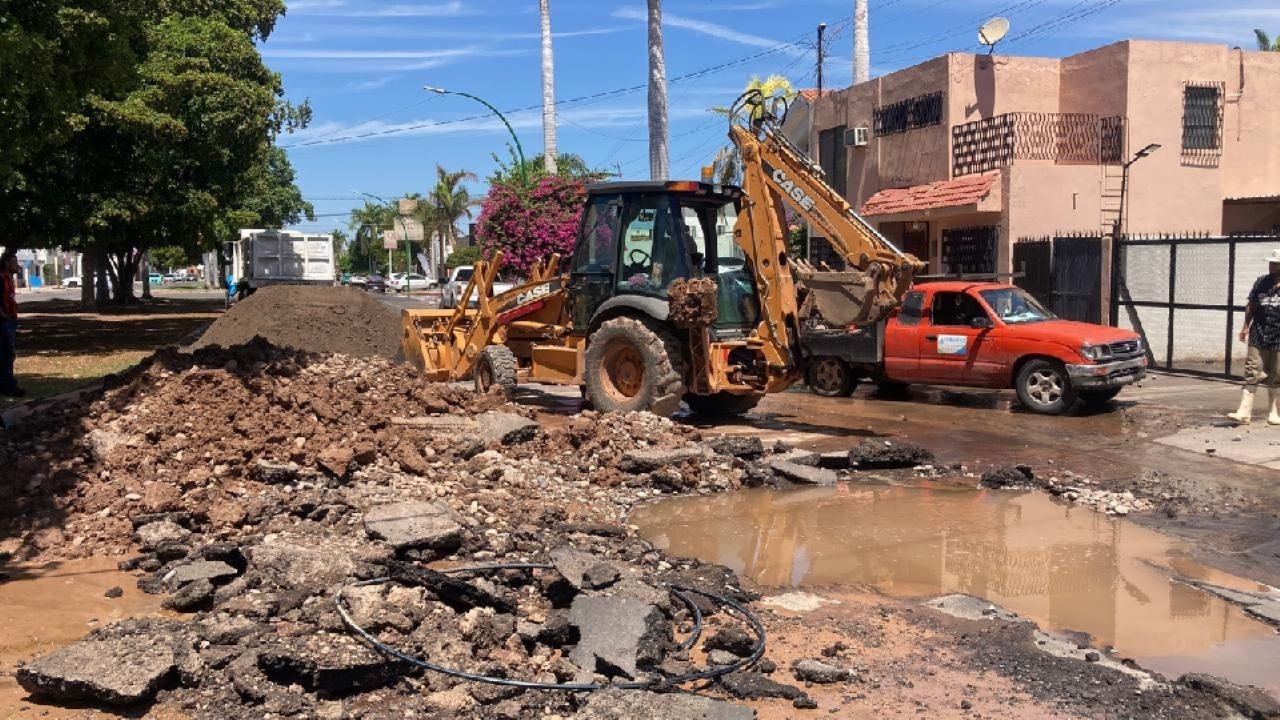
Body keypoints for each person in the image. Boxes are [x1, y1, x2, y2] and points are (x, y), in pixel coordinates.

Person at [1228, 250, 1280, 424]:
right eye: (1271, 263)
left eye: (1276, 263)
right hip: (1259, 333)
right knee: (1252, 369)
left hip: (1278, 336)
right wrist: (1245, 326)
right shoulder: (1261, 282)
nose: (1272, 266)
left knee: (1277, 373)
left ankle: (1274, 412)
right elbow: (1251, 305)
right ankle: (1244, 412)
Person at [0, 249, 23, 397]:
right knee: (6, 354)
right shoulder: (1, 279)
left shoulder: (8, 279)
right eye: (14, 263)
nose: (18, 266)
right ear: (6, 263)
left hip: (10, 320)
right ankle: (8, 387)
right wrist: (3, 316)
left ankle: (7, 385)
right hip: (4, 322)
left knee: (8, 354)